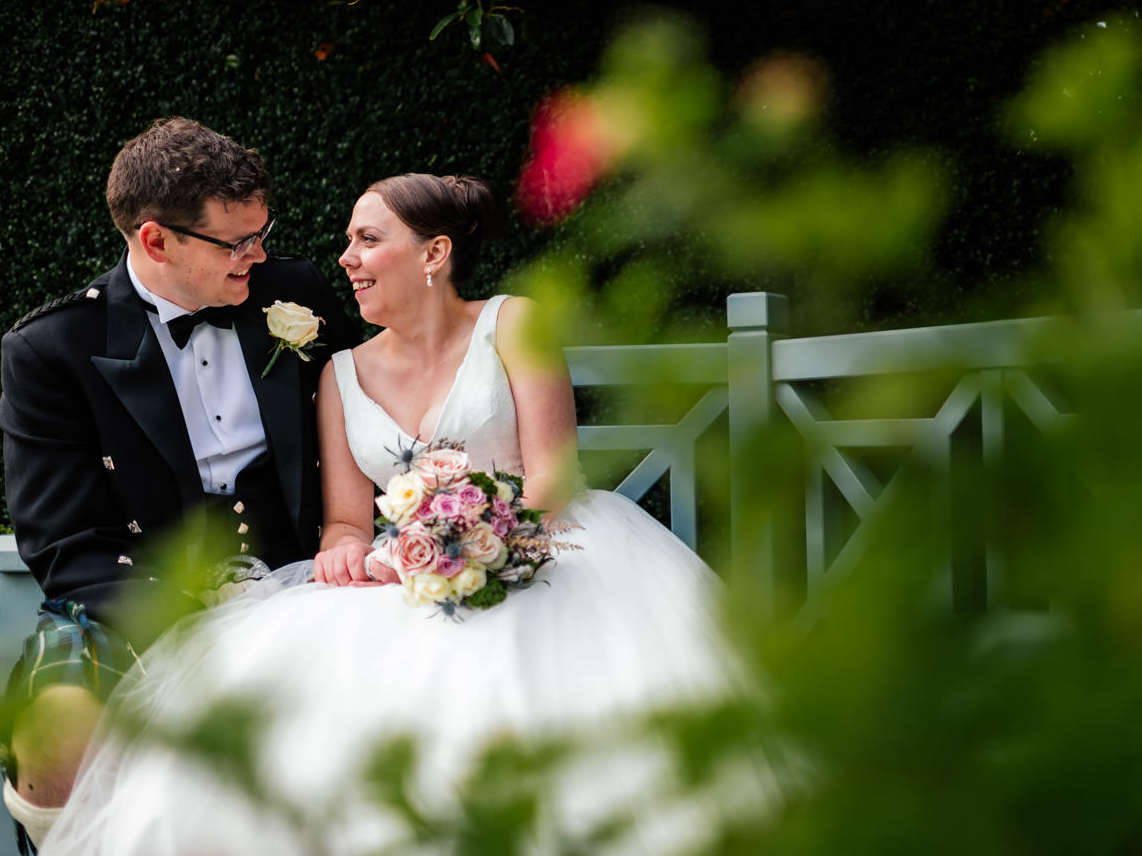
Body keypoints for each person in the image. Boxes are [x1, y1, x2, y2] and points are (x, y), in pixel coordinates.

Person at [42, 174, 759, 855]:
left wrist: (473, 536)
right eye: (348, 242)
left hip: (548, 549)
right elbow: (348, 521)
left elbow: (552, 476)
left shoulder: (515, 323)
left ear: (434, 253)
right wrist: (344, 550)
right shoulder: (339, 373)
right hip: (405, 574)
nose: (345, 260)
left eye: (366, 239)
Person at [0, 117, 357, 849]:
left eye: (262, 232)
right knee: (54, 740)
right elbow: (65, 542)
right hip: (138, 602)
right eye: (235, 242)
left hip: (307, 582)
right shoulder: (52, 350)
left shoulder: (291, 291)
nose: (257, 255)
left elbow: (377, 408)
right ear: (155, 239)